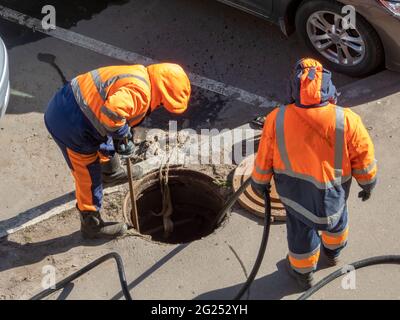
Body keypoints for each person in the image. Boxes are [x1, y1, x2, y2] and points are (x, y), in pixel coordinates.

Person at [251, 58, 377, 289]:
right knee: (337, 223)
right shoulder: (346, 119)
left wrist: (259, 182)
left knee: (301, 234)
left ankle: (303, 274)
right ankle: (333, 253)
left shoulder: (276, 118)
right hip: (333, 194)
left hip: (295, 195)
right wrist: (368, 183)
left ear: (294, 89)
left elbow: (265, 156)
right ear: (329, 89)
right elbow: (363, 155)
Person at [44, 63, 191, 239]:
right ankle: (91, 224)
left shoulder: (139, 73)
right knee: (87, 175)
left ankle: (111, 173)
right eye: (162, 103)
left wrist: (121, 136)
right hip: (71, 123)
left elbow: (109, 113)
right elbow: (112, 112)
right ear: (162, 92)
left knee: (106, 137)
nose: (160, 106)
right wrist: (122, 135)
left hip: (71, 103)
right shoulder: (141, 93)